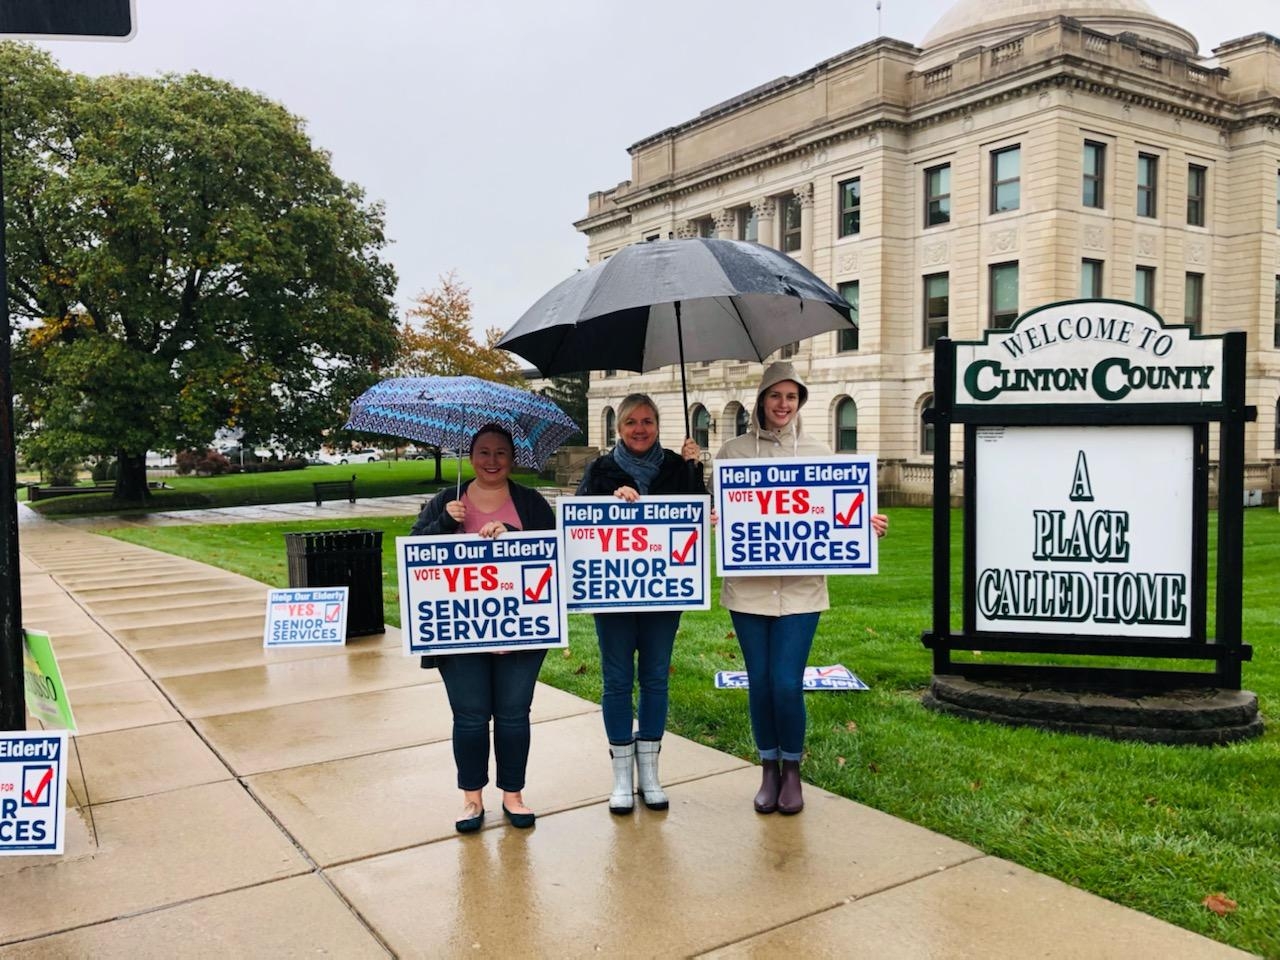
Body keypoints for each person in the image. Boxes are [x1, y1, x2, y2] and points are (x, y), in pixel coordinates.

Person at [714, 361, 888, 815]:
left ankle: (792, 770)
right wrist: (713, 518)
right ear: (762, 400)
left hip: (802, 589)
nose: (783, 405)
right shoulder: (733, 453)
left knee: (787, 683)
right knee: (760, 683)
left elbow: (837, 511)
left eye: (791, 397)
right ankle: (767, 768)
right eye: (776, 396)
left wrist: (866, 525)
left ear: (800, 401)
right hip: (748, 590)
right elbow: (719, 516)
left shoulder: (818, 449)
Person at [410, 423, 555, 833]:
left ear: (512, 458)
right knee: (470, 718)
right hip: (460, 635)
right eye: (484, 452)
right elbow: (415, 551)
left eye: (501, 453)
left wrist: (512, 534)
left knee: (513, 716)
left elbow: (554, 552)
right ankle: (472, 799)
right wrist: (443, 523)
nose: (492, 461)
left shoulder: (530, 503)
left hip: (522, 630)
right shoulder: (447, 500)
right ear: (471, 457)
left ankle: (513, 795)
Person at [576, 393, 705, 814]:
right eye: (632, 422)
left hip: (662, 594)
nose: (640, 429)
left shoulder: (675, 466)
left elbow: (700, 516)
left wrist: (694, 466)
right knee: (616, 681)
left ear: (657, 425)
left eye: (648, 421)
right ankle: (620, 775)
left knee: (654, 679)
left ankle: (649, 772)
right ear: (618, 427)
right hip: (612, 595)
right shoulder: (600, 470)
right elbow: (577, 526)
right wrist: (609, 506)